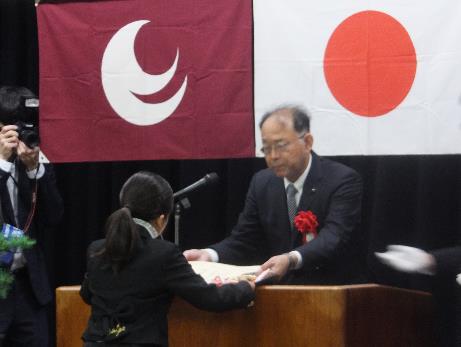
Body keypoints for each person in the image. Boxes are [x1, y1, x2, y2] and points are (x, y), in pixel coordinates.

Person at [184, 105, 364, 284]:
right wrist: (208, 254)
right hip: (279, 294)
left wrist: (291, 258)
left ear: (307, 142)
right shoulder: (262, 183)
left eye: (281, 146)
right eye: (267, 149)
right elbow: (244, 239)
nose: (273, 156)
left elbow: (333, 237)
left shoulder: (341, 180)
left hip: (330, 290)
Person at [80, 171, 255, 347]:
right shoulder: (164, 254)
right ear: (161, 219)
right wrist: (245, 289)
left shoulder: (96, 249)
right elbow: (210, 298)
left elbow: (87, 295)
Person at [0, 86, 64, 346]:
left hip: (28, 288)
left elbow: (54, 216)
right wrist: (3, 163)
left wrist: (34, 170)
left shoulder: (34, 157)